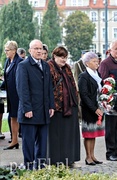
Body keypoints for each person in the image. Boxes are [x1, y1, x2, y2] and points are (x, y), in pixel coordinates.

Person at [16, 39, 55, 170]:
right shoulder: (23, 65)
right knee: (29, 142)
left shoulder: (45, 65)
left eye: (40, 49)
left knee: (42, 142)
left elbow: (49, 87)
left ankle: (41, 166)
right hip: (30, 111)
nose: (39, 51)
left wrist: (51, 105)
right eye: (36, 48)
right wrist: (27, 108)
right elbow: (22, 89)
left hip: (43, 111)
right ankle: (29, 166)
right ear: (30, 50)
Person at [47, 46, 80, 166]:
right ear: (55, 56)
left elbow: (72, 85)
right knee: (56, 136)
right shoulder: (49, 67)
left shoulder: (67, 68)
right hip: (56, 107)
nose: (64, 60)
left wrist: (75, 101)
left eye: (65, 57)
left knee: (69, 135)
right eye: (61, 57)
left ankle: (69, 158)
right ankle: (56, 160)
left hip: (69, 106)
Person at [78, 52, 104, 165]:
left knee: (93, 133)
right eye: (94, 61)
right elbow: (84, 95)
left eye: (97, 60)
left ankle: (93, 155)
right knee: (88, 134)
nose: (97, 63)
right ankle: (88, 156)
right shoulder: (84, 76)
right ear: (87, 63)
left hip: (97, 107)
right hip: (88, 109)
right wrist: (94, 108)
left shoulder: (97, 74)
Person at [2, 41, 23, 150]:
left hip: (17, 94)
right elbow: (6, 77)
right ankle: (14, 140)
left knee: (17, 116)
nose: (5, 52)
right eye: (5, 49)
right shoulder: (7, 61)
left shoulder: (19, 62)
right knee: (12, 116)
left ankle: (17, 139)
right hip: (10, 94)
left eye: (7, 50)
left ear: (14, 50)